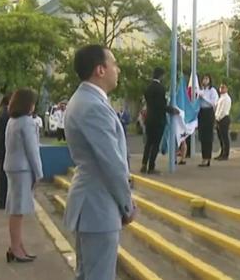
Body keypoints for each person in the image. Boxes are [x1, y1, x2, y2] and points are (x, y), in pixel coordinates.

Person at [64, 45, 135, 279]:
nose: (118, 69)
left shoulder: (84, 100)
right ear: (100, 70)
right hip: (98, 205)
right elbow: (112, 164)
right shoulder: (93, 106)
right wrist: (127, 204)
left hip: (92, 204)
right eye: (113, 63)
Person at [3, 88, 43, 263]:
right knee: (18, 211)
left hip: (12, 167)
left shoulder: (12, 121)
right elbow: (32, 150)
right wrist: (39, 173)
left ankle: (17, 245)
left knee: (15, 209)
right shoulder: (27, 122)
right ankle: (16, 247)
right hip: (23, 169)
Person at [142, 68, 178, 174]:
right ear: (161, 76)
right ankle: (151, 167)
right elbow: (161, 106)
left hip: (149, 118)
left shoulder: (148, 88)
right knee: (156, 144)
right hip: (158, 120)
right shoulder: (160, 89)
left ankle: (144, 164)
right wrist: (172, 110)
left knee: (148, 143)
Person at [197, 74, 218, 167]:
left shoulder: (212, 91)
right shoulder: (200, 90)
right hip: (201, 112)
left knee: (208, 136)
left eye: (206, 79)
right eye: (203, 79)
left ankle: (208, 158)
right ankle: (203, 158)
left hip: (209, 112)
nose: (205, 80)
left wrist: (204, 97)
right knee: (202, 136)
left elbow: (214, 103)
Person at [0, 96, 10, 210]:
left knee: (2, 174)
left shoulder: (1, 113)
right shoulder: (6, 114)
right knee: (4, 175)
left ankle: (1, 201)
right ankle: (3, 201)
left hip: (1, 145)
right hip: (5, 147)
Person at [215, 83, 232, 161]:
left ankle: (226, 154)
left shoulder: (226, 98)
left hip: (223, 118)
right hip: (219, 119)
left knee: (224, 137)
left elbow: (222, 110)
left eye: (223, 87)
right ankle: (222, 152)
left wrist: (218, 118)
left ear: (226, 89)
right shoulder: (220, 98)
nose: (221, 89)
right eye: (221, 87)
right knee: (221, 137)